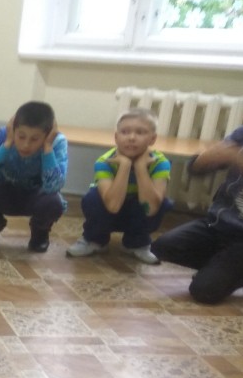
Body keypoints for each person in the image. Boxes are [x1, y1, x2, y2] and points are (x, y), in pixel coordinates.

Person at [151, 126, 243, 303]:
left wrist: (238, 159)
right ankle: (224, 269)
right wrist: (204, 159)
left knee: (204, 292)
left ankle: (227, 272)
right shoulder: (242, 134)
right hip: (218, 224)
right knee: (162, 247)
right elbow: (196, 168)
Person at [67, 108, 172, 265]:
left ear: (152, 139)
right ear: (116, 137)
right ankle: (95, 239)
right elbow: (113, 206)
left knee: (162, 202)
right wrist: (125, 165)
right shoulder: (104, 161)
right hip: (111, 210)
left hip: (138, 211)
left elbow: (150, 208)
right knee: (92, 198)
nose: (131, 137)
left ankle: (136, 243)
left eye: (140, 132)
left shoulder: (160, 163)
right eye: (125, 132)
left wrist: (141, 168)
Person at [0, 101, 68, 253]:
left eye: (35, 139)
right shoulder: (4, 135)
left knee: (53, 202)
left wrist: (47, 148)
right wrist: (8, 143)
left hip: (36, 197)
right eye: (21, 136)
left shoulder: (57, 142)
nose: (26, 145)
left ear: (48, 135)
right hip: (5, 193)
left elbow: (54, 186)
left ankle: (40, 232)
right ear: (13, 130)